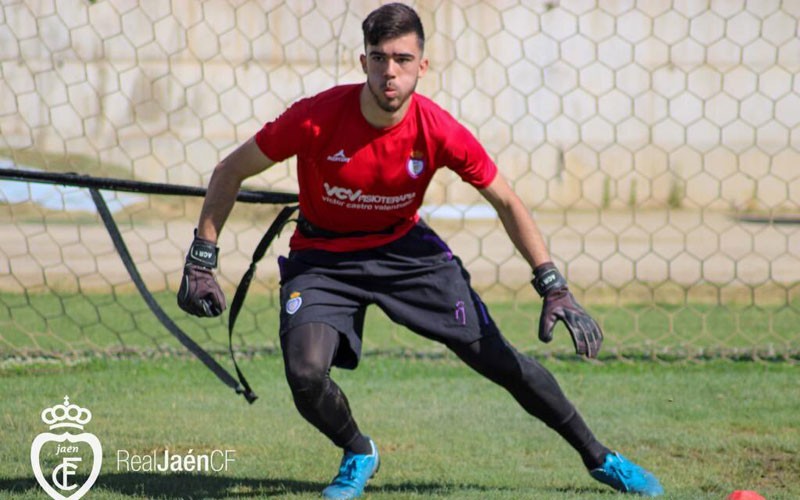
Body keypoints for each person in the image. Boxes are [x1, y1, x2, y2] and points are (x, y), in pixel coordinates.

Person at [177, 3, 663, 498]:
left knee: (496, 359)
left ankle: (602, 459)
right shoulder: (314, 118)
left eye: (403, 59)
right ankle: (358, 451)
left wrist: (552, 284)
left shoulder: (439, 129)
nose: (391, 71)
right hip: (322, 258)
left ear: (422, 66)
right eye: (380, 58)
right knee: (304, 373)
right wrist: (202, 256)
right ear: (362, 62)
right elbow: (229, 171)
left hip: (406, 254)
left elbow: (506, 200)